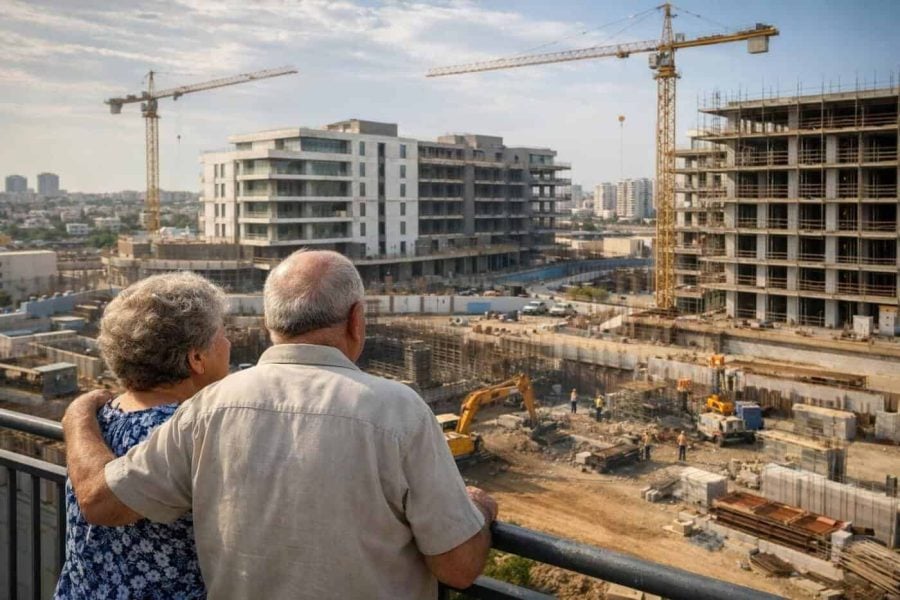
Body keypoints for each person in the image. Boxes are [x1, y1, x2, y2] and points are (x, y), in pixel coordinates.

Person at [63, 250, 498, 599]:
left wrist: (79, 415)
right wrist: (477, 511)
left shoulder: (212, 406)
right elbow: (458, 569)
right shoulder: (400, 411)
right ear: (356, 320)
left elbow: (102, 503)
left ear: (271, 323)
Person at [56, 272, 231, 599]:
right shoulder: (190, 434)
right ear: (196, 358)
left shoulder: (100, 418)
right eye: (222, 334)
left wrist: (78, 413)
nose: (229, 344)